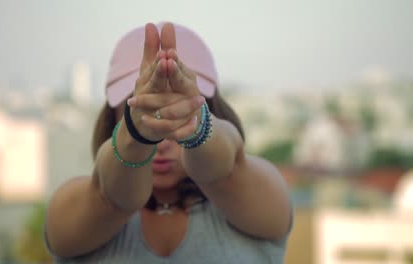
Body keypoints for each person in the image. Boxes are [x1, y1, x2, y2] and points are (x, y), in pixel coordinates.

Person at [44, 22, 293, 264]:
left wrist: (197, 127)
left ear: (214, 109)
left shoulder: (256, 196)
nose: (162, 141)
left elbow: (226, 171)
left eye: (179, 109)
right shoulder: (76, 207)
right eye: (144, 107)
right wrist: (136, 134)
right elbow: (111, 197)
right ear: (114, 117)